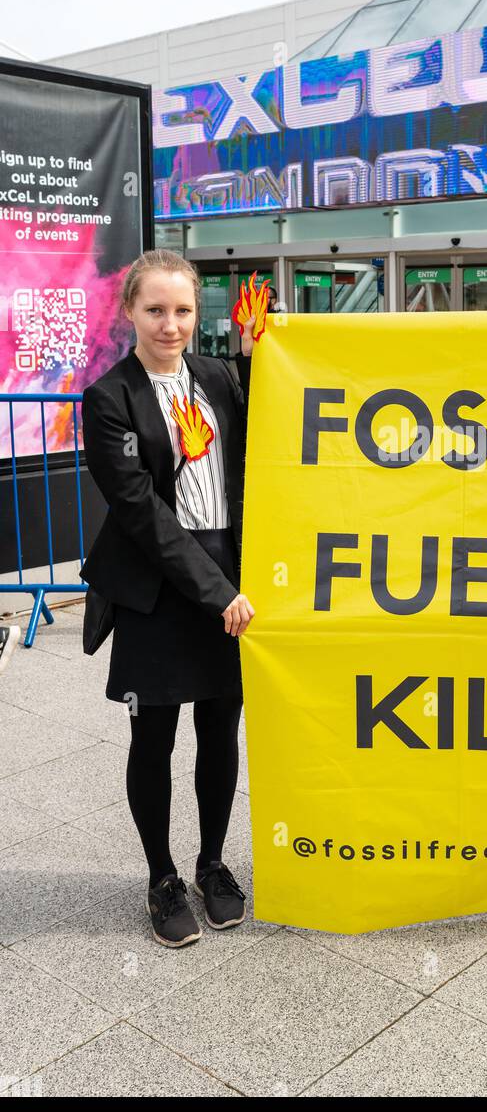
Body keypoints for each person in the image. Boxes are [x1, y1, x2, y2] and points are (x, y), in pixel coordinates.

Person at [80, 249, 258, 949]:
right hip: (158, 586)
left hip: (228, 573)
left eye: (183, 310)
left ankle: (212, 863)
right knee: (152, 736)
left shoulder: (218, 378)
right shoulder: (109, 398)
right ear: (129, 311)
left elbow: (266, 440)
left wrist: (256, 356)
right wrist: (218, 593)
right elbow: (142, 514)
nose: (170, 324)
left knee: (220, 729)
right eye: (155, 309)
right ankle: (160, 877)